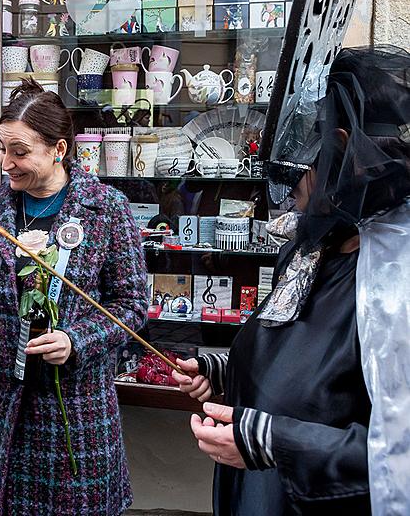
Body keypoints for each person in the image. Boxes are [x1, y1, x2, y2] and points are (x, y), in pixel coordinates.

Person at [172, 46, 410, 515]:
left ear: (342, 152)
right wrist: (225, 369)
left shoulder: (397, 277)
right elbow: (290, 353)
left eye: (301, 165)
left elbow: (395, 457)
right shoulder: (312, 247)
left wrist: (275, 442)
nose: (292, 186)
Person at [0, 79, 148, 515]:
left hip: (73, 410)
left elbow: (131, 304)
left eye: (20, 152)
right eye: (2, 149)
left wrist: (76, 340)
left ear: (58, 149)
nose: (6, 162)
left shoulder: (106, 209)